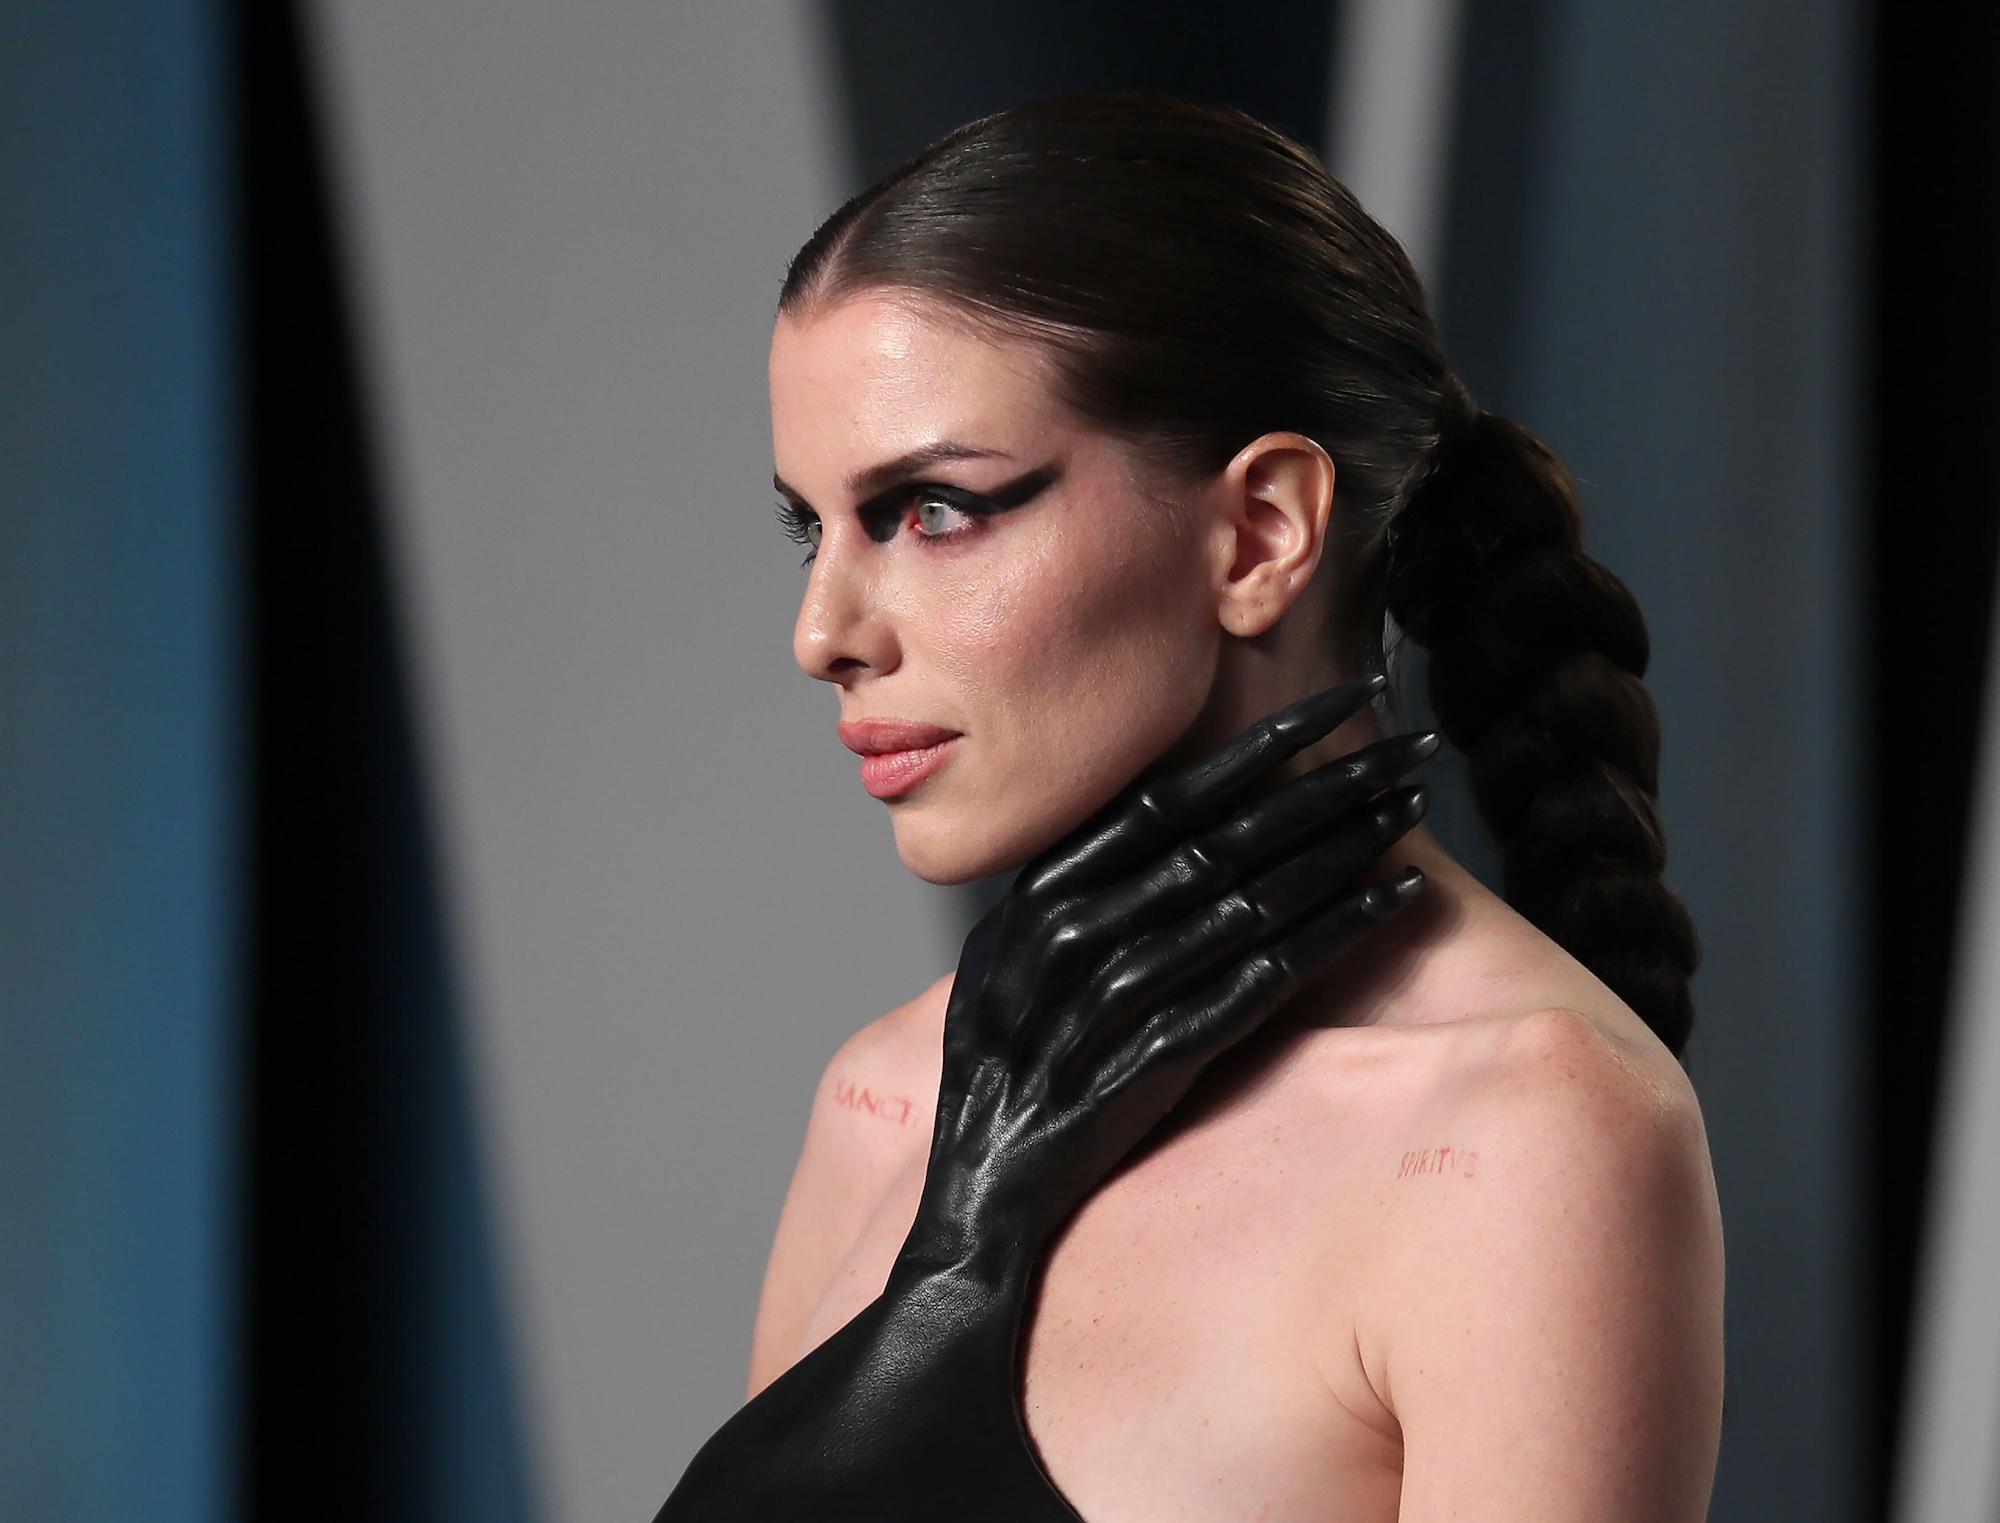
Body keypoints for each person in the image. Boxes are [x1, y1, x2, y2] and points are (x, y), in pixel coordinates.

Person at [660, 91, 1724, 1521]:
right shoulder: (890, 1103)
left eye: (932, 510)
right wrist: (955, 1278)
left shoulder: (1530, 1136)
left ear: (1260, 531)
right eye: (818, 525)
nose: (825, 631)